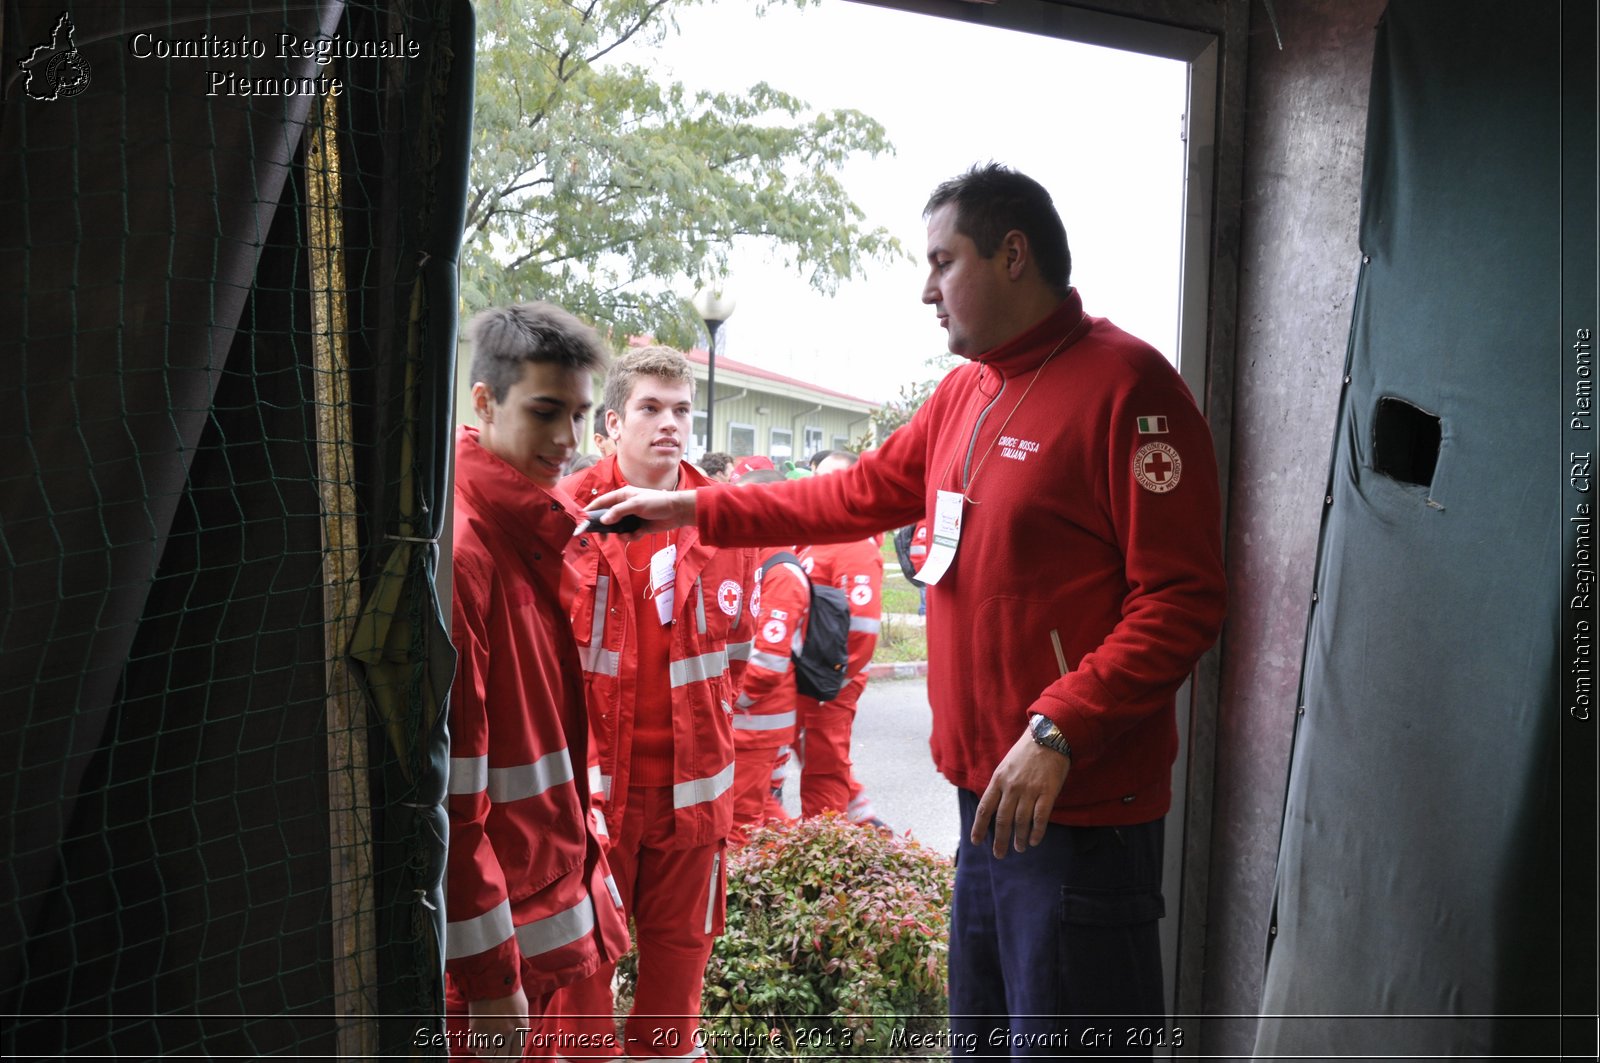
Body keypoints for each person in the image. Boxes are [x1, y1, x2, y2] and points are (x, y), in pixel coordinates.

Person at [582, 163, 1227, 1056]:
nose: (927, 290)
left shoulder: (1130, 387)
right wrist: (694, 506)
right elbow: (852, 494)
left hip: (1077, 811)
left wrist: (1059, 731)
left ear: (1012, 255)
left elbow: (1184, 598)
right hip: (982, 805)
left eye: (941, 260)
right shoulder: (965, 392)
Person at [545, 345, 757, 1060]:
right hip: (591, 808)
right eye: (650, 408)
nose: (669, 423)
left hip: (691, 810)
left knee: (674, 1007)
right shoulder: (564, 518)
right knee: (581, 1002)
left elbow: (735, 663)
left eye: (681, 409)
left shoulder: (726, 521)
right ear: (612, 421)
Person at [446, 302, 629, 1059]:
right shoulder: (466, 552)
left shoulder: (530, 527)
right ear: (483, 402)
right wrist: (492, 978)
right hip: (493, 958)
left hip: (532, 925)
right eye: (546, 411)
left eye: (581, 415)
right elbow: (452, 796)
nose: (568, 440)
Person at [794, 449, 886, 826]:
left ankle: (829, 848)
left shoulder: (853, 545)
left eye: (834, 477)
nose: (822, 484)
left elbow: (862, 630)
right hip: (808, 679)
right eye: (819, 475)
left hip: (827, 683)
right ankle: (865, 824)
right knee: (815, 759)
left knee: (823, 770)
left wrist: (832, 684)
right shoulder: (816, 538)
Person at [725, 467, 808, 844]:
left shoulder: (780, 572)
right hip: (751, 720)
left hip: (755, 722)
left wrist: (725, 702)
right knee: (765, 813)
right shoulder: (757, 560)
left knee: (740, 822)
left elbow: (767, 662)